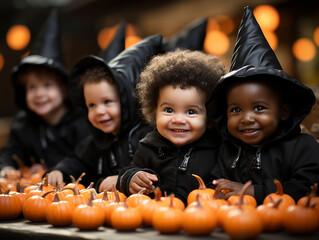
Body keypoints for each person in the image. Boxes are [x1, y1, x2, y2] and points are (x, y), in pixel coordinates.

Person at [210, 6, 319, 205]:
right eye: (236, 110)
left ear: (284, 112)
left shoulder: (302, 148)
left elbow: (310, 186)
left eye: (259, 108)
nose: (247, 118)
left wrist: (255, 191)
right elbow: (218, 185)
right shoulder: (228, 150)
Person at [47, 34, 163, 191]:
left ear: (126, 102)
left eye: (107, 102)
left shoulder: (147, 136)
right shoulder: (96, 141)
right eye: (92, 105)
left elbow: (159, 171)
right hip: (106, 209)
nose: (99, 111)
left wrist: (124, 179)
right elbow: (78, 162)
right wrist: (61, 171)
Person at [117, 49, 226, 205]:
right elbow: (128, 172)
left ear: (209, 117)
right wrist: (131, 178)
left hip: (200, 220)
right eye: (169, 110)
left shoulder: (217, 149)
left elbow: (223, 185)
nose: (178, 119)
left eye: (191, 111)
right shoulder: (149, 146)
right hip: (158, 220)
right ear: (155, 110)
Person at [0, 9, 91, 179]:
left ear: (64, 89)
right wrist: (7, 167)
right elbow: (11, 151)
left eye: (47, 85)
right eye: (32, 87)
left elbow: (83, 158)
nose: (39, 93)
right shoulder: (23, 124)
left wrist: (49, 168)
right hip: (35, 192)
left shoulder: (80, 123)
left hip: (72, 191)